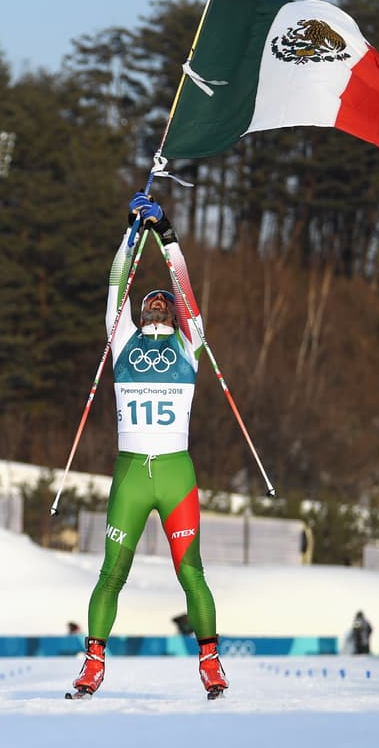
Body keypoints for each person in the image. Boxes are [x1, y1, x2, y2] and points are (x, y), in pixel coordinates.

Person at [69, 191, 229, 701]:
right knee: (111, 573)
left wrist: (168, 234)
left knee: (191, 571)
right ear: (140, 313)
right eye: (151, 300)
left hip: (177, 473)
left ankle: (210, 662)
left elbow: (186, 289)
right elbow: (117, 283)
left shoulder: (189, 345)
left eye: (165, 300)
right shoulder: (123, 341)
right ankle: (92, 663)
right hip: (133, 473)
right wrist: (130, 233)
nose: (159, 300)